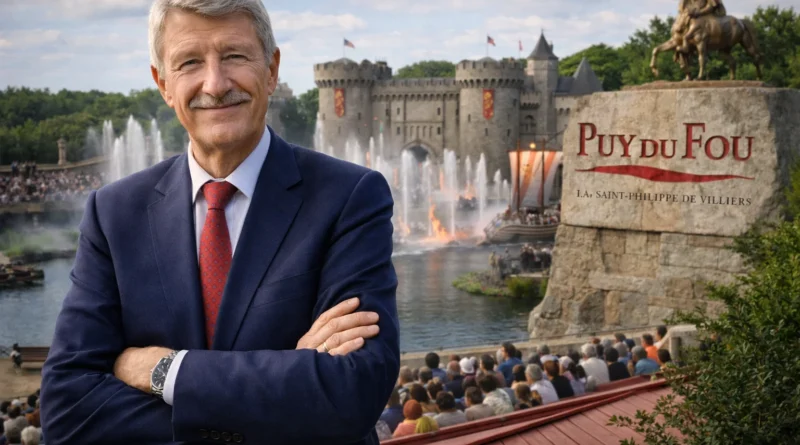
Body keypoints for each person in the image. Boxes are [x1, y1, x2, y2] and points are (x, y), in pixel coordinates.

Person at [39, 1, 399, 444]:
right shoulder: (114, 213)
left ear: (271, 70)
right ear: (163, 84)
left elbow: (353, 392)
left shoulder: (351, 196)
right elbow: (66, 411)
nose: (215, 83)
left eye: (234, 56)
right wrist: (285, 389)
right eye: (190, 62)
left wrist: (163, 371)